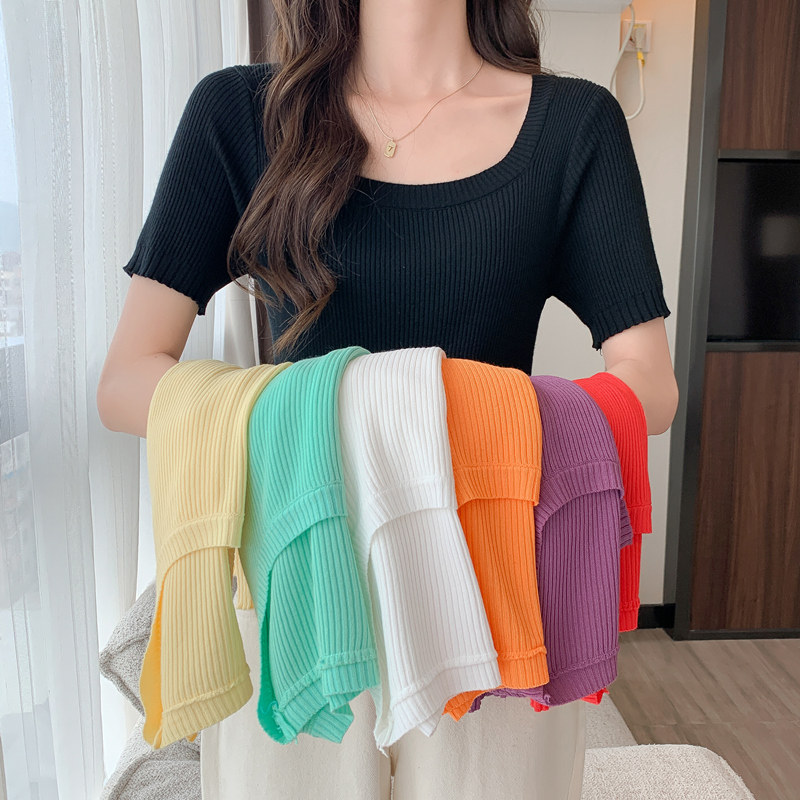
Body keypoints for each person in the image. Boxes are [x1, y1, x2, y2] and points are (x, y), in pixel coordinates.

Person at [97, 0, 679, 797]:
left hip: (495, 589)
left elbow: (650, 384)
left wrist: (450, 411)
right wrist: (354, 406)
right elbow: (127, 378)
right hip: (294, 580)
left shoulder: (576, 126)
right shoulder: (237, 114)